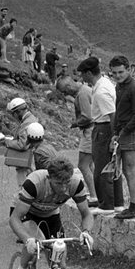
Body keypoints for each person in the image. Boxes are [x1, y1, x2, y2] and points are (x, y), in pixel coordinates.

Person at [9, 157, 94, 269]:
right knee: (37, 241)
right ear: (49, 178)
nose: (63, 188)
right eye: (58, 184)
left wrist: (86, 232)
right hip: (26, 212)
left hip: (50, 213)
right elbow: (14, 219)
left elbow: (86, 214)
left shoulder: (76, 184)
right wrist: (27, 239)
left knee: (60, 265)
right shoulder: (34, 183)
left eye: (66, 183)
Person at [77, 56, 122, 212]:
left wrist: (114, 136)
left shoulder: (101, 91)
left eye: (83, 73)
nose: (81, 77)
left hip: (103, 128)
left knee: (101, 167)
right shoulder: (105, 83)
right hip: (105, 127)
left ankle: (106, 204)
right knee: (112, 166)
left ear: (89, 73)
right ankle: (117, 203)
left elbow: (112, 114)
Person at [109, 54, 135, 219]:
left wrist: (123, 132)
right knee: (125, 170)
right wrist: (116, 133)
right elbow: (119, 111)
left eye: (121, 72)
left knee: (131, 171)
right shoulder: (120, 86)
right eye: (114, 73)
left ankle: (134, 207)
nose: (117, 76)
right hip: (124, 131)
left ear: (129, 70)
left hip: (132, 132)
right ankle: (132, 206)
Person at [61, 75, 98, 204]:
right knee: (91, 165)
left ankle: (94, 196)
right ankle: (97, 192)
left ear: (69, 86)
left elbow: (87, 116)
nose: (65, 94)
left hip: (89, 131)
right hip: (94, 130)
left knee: (83, 165)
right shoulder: (85, 90)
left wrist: (75, 123)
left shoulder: (82, 94)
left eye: (64, 91)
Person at [4, 97, 39, 186]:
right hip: (32, 157)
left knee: (24, 185)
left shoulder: (27, 122)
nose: (13, 117)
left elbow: (22, 144)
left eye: (13, 114)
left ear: (18, 112)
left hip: (26, 160)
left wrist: (7, 142)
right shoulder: (31, 118)